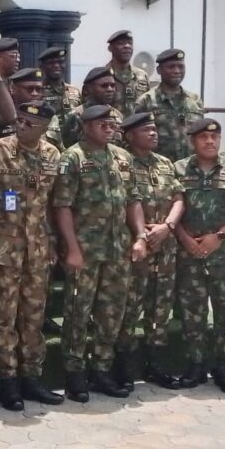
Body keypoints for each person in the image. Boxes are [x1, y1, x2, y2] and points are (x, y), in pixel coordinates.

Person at [53, 104, 148, 403]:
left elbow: (133, 199)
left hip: (117, 249)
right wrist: (72, 248)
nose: (109, 128)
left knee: (111, 313)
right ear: (86, 126)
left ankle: (102, 370)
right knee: (78, 313)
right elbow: (62, 205)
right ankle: (74, 374)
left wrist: (140, 236)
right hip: (85, 250)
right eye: (102, 124)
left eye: (112, 124)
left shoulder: (122, 157)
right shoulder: (73, 158)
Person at [0, 101, 64, 410]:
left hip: (38, 249)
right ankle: (8, 382)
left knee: (33, 317)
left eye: (30, 123)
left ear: (44, 127)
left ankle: (32, 378)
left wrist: (54, 242)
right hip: (5, 248)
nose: (22, 126)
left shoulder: (52, 155)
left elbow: (53, 204)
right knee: (4, 317)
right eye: (20, 119)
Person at [173, 118, 225, 394]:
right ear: (192, 140)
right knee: (192, 312)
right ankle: (195, 365)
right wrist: (185, 240)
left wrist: (219, 237)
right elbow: (173, 208)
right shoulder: (179, 169)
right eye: (203, 138)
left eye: (214, 137)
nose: (210, 142)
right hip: (189, 253)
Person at [113, 113, 184, 391]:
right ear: (129, 135)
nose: (154, 134)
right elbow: (127, 203)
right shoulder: (122, 163)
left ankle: (155, 365)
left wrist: (167, 226)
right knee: (130, 306)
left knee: (161, 308)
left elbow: (178, 198)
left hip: (164, 246)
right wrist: (142, 233)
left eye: (155, 129)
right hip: (134, 247)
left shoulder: (165, 163)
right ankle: (123, 366)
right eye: (147, 130)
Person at [134, 48, 204, 162]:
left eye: (181, 66)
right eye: (171, 67)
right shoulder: (146, 101)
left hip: (190, 169)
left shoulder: (195, 100)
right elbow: (137, 141)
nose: (177, 71)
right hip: (159, 169)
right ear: (159, 70)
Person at [59, 67, 123, 149]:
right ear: (87, 90)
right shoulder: (76, 115)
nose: (110, 89)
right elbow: (67, 147)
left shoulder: (118, 115)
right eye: (104, 86)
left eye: (113, 85)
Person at [105, 30, 150, 117]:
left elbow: (147, 106)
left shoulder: (142, 76)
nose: (127, 46)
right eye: (121, 43)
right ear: (110, 48)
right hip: (111, 128)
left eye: (130, 43)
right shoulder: (102, 75)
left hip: (136, 129)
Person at [38, 46, 81, 125]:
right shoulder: (37, 92)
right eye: (51, 63)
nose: (56, 66)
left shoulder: (75, 91)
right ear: (42, 67)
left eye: (60, 62)